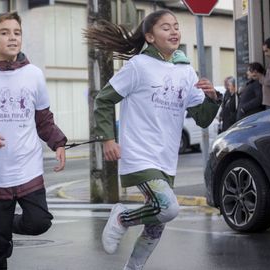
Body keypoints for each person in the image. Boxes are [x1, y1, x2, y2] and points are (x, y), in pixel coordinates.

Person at [85, 9, 221, 270]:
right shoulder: (138, 66)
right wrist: (108, 140)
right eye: (165, 27)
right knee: (168, 208)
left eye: (176, 26)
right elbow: (103, 100)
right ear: (149, 36)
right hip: (139, 153)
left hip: (166, 158)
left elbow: (202, 119)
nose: (174, 31)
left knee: (155, 227)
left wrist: (214, 99)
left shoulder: (186, 72)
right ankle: (122, 217)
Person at [0, 12, 67, 270]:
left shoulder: (34, 74)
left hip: (27, 166)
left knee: (39, 222)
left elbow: (43, 119)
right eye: (5, 33)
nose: (12, 38)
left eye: (17, 33)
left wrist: (58, 143)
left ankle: (5, 225)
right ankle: (0, 239)